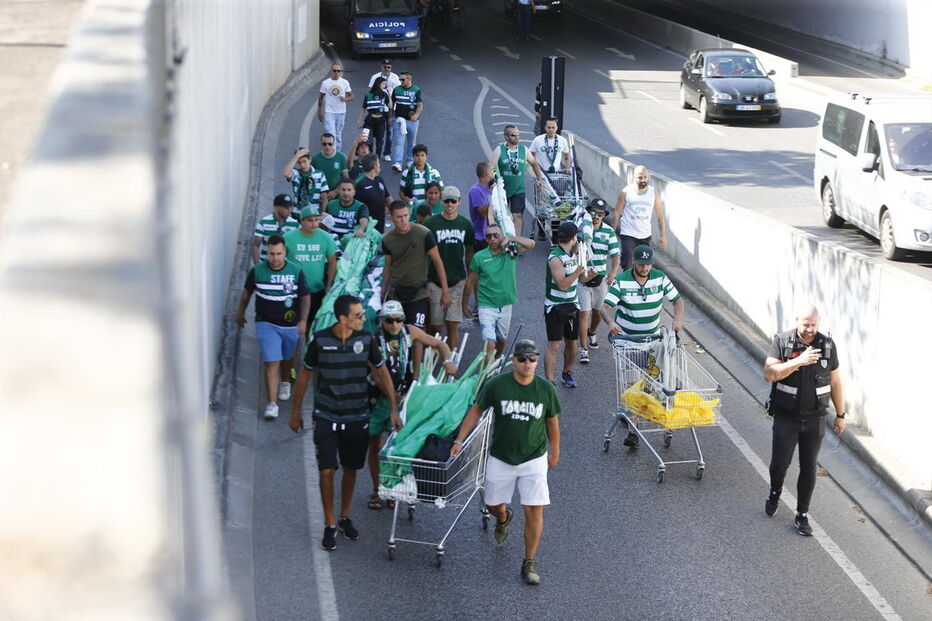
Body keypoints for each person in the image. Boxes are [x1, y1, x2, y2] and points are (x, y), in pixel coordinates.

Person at [289, 294, 398, 551]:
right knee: (327, 470)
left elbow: (380, 372)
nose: (363, 319)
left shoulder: (366, 339)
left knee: (351, 468)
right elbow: (305, 375)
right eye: (358, 315)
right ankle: (329, 523)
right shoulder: (321, 341)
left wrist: (393, 408)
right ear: (342, 318)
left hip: (357, 415)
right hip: (326, 414)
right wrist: (295, 411)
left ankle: (344, 517)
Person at [450, 339, 560, 586]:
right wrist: (459, 440)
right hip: (500, 456)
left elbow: (552, 421)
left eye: (532, 359)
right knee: (492, 504)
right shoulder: (497, 385)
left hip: (534, 457)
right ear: (513, 361)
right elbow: (477, 410)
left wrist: (555, 452)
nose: (528, 363)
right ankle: (502, 517)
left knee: (534, 509)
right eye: (522, 359)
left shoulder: (545, 389)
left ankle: (529, 562)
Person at [365, 300, 458, 510]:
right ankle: (377, 488)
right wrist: (391, 402)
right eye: (390, 321)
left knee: (400, 445)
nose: (395, 325)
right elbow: (377, 375)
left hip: (403, 398)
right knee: (376, 445)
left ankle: (393, 488)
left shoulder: (410, 332)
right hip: (377, 399)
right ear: (382, 321)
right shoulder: (373, 339)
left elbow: (439, 344)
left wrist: (447, 361)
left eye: (398, 320)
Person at [763, 304, 846, 537]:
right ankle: (775, 491)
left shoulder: (827, 346)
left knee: (809, 468)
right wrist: (799, 361)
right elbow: (769, 374)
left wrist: (841, 414)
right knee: (780, 464)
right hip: (786, 418)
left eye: (813, 324)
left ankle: (802, 514)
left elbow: (836, 382)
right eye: (805, 324)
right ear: (797, 320)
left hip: (815, 419)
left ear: (819, 322)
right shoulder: (782, 341)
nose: (809, 329)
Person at [599, 244, 684, 447]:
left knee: (655, 384)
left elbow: (678, 301)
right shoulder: (621, 280)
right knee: (634, 385)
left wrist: (678, 320)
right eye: (641, 264)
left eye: (648, 264)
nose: (645, 268)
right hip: (629, 343)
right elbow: (605, 307)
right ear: (634, 262)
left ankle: (637, 415)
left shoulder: (660, 277)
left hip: (654, 342)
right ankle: (633, 432)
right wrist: (610, 322)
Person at [236, 234, 310, 420]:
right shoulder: (258, 271)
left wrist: (303, 320)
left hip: (290, 325)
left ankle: (285, 381)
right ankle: (272, 404)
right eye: (271, 254)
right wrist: (240, 313)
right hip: (266, 323)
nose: (275, 258)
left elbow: (305, 298)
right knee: (271, 361)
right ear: (266, 253)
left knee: (287, 357)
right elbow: (246, 294)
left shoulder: (296, 271)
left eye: (278, 253)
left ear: (285, 252)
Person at [464, 222, 535, 360]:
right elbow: (470, 282)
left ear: (502, 236)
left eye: (496, 236)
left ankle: (495, 363)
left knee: (502, 341)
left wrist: (511, 239)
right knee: (490, 343)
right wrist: (463, 304)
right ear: (486, 239)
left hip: (506, 305)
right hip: (486, 305)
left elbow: (531, 244)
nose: (492, 239)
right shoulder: (480, 257)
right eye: (489, 237)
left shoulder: (510, 252)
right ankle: (486, 376)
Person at [381, 201, 451, 330]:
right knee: (393, 332)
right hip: (396, 292)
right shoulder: (387, 239)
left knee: (417, 334)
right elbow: (388, 267)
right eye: (399, 217)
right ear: (391, 218)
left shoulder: (423, 233)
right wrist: (382, 292)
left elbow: (438, 261)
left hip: (419, 293)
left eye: (405, 215)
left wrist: (445, 292)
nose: (403, 220)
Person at [423, 186, 474, 352]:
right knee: (436, 325)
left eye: (453, 201)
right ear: (441, 202)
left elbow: (469, 252)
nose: (450, 204)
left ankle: (452, 359)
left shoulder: (466, 225)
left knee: (453, 323)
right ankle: (433, 355)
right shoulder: (430, 224)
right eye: (447, 201)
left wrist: (469, 277)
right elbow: (424, 254)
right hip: (434, 280)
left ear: (459, 202)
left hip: (457, 278)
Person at [544, 221, 593, 388]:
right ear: (573, 238)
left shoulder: (576, 254)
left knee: (572, 342)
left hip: (572, 305)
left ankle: (567, 373)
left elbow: (580, 279)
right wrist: (579, 269)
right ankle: (550, 382)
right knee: (555, 345)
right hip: (555, 306)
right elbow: (563, 284)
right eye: (577, 239)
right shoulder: (555, 258)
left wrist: (589, 275)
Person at [577, 199, 620, 365]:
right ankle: (584, 349)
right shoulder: (582, 228)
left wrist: (613, 273)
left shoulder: (608, 232)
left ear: (604, 215)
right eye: (593, 213)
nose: (596, 216)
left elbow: (615, 255)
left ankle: (592, 332)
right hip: (583, 277)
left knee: (597, 313)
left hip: (600, 278)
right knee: (584, 313)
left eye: (600, 214)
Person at [283, 206, 339, 331]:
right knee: (292, 324)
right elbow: (279, 261)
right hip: (293, 291)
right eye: (310, 221)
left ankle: (308, 349)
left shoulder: (325, 237)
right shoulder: (288, 237)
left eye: (316, 220)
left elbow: (332, 262)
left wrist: (329, 284)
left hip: (316, 290)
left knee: (312, 325)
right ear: (302, 221)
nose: (314, 224)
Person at [490, 125, 542, 239]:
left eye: (518, 134)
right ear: (506, 137)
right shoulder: (499, 150)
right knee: (503, 216)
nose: (517, 137)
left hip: (518, 189)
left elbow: (534, 163)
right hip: (502, 189)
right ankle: (503, 240)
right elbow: (491, 168)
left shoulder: (523, 150)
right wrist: (492, 183)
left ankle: (516, 242)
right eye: (513, 135)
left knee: (518, 215)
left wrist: (539, 178)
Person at [613, 165, 668, 269]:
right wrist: (611, 233)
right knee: (628, 265)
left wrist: (662, 236)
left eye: (645, 177)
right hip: (628, 233)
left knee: (644, 266)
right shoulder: (626, 192)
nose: (643, 180)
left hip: (645, 235)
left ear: (648, 177)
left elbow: (660, 216)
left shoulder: (653, 194)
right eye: (640, 177)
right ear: (634, 177)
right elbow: (616, 213)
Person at [368, 59, 401, 161]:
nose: (387, 69)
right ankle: (372, 153)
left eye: (389, 67)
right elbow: (369, 91)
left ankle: (387, 153)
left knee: (390, 132)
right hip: (379, 109)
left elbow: (398, 93)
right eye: (385, 67)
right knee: (377, 133)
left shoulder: (395, 78)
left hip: (391, 109)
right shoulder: (375, 77)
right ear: (381, 66)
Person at [252, 194, 299, 263]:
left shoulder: (295, 225)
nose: (289, 210)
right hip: (266, 263)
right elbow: (256, 245)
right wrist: (257, 266)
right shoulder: (263, 223)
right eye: (286, 207)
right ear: (276, 207)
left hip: (286, 266)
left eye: (291, 207)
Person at [391, 72, 423, 172]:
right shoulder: (396, 90)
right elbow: (392, 103)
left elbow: (420, 104)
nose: (400, 81)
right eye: (400, 79)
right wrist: (391, 116)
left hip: (412, 121)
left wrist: (416, 114)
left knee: (411, 143)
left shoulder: (416, 90)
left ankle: (409, 161)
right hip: (400, 120)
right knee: (399, 142)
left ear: (409, 79)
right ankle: (397, 162)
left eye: (403, 80)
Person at [282, 147, 330, 214]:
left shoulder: (319, 174)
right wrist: (296, 156)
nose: (302, 165)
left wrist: (323, 213)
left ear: (310, 159)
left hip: (314, 212)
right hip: (298, 213)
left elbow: (324, 197)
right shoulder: (296, 173)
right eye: (299, 163)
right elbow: (286, 173)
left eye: (304, 161)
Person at [318, 63, 354, 151]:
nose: (337, 72)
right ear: (331, 71)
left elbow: (352, 96)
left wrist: (345, 99)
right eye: (335, 70)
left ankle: (337, 153)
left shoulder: (344, 82)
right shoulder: (325, 83)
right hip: (329, 112)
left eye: (339, 71)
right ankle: (331, 152)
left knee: (338, 134)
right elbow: (321, 98)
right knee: (331, 133)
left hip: (341, 113)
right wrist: (319, 111)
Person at [354, 154, 393, 233]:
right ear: (375, 166)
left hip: (380, 225)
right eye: (378, 163)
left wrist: (395, 210)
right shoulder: (360, 184)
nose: (379, 165)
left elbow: (387, 197)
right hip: (366, 227)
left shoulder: (380, 179)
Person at [357, 77, 391, 159]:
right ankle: (368, 159)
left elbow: (390, 106)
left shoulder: (384, 94)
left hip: (381, 121)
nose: (385, 85)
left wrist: (389, 94)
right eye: (383, 84)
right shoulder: (368, 95)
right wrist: (360, 119)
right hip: (370, 121)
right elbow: (363, 107)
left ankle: (377, 160)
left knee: (379, 142)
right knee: (369, 141)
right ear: (378, 84)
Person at [312, 133, 349, 201]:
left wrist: (335, 191)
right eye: (324, 144)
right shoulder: (315, 159)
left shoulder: (342, 157)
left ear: (334, 144)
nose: (327, 146)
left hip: (337, 197)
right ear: (321, 144)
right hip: (320, 196)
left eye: (330, 144)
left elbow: (346, 179)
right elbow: (311, 178)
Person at [468, 162, 495, 252]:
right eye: (493, 171)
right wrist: (495, 198)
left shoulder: (491, 189)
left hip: (494, 235)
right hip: (482, 237)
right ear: (488, 174)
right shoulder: (475, 191)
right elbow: (483, 213)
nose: (495, 174)